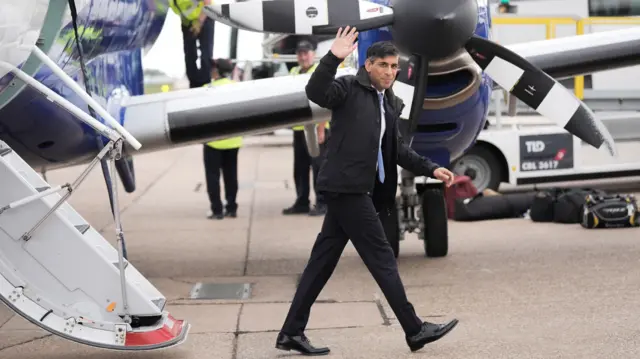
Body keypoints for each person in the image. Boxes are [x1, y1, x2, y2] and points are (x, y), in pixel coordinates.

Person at [275, 27, 458, 355]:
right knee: (382, 257)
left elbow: (398, 150)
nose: (390, 72)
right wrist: (333, 57)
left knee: (321, 263)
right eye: (384, 66)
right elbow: (315, 90)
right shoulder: (347, 88)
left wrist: (431, 168)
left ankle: (291, 332)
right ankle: (414, 329)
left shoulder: (388, 101)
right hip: (347, 190)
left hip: (359, 190)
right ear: (369, 65)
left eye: (394, 67)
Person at [282, 40, 329, 217]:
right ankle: (302, 201)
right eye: (300, 53)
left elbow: (326, 102)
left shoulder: (319, 72)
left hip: (317, 128)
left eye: (306, 53)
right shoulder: (294, 72)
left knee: (319, 168)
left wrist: (321, 129)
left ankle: (323, 203)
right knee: (300, 168)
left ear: (313, 54)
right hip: (299, 128)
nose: (303, 57)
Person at [203, 59, 242, 220]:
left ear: (217, 71)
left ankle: (217, 210)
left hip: (213, 141)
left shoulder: (208, 89)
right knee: (231, 176)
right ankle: (232, 208)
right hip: (233, 141)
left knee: (213, 177)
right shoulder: (237, 88)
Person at [169, 0, 214, 88]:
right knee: (189, 54)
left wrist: (199, 22)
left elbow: (207, 2)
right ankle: (193, 84)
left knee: (206, 52)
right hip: (187, 21)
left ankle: (205, 82)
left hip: (205, 17)